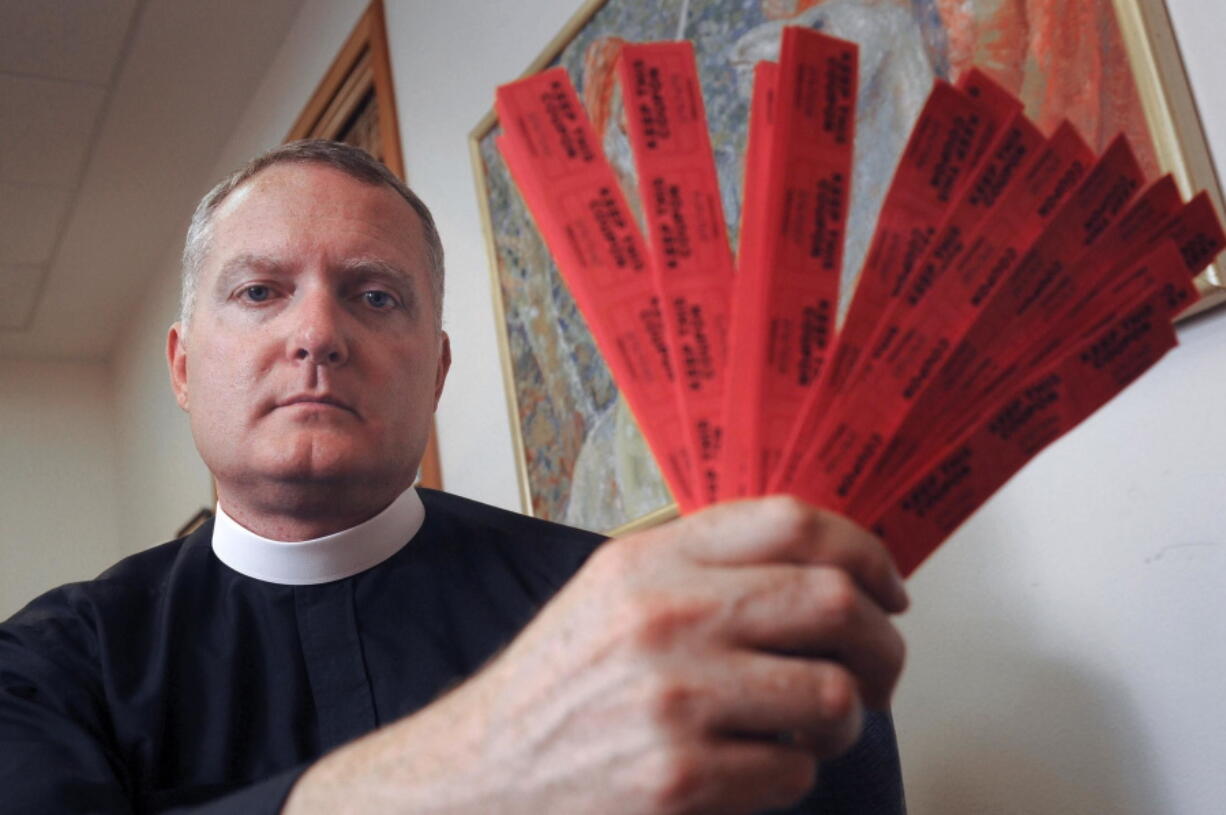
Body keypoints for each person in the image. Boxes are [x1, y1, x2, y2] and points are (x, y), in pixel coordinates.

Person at [0, 140, 908, 814]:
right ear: (185, 365)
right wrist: (480, 760)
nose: (317, 332)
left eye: (374, 294)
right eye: (259, 291)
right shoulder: (46, 666)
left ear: (435, 371)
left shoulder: (639, 619)